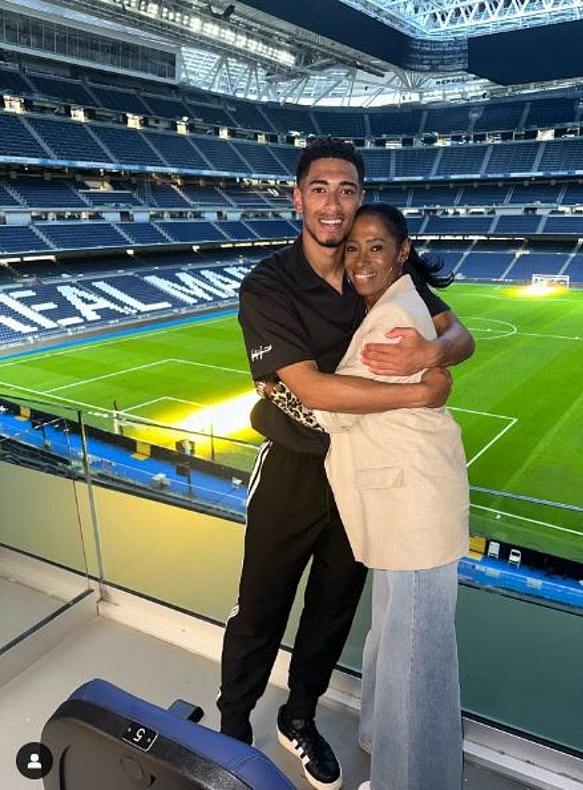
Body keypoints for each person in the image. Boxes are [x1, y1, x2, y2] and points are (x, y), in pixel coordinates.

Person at [217, 137, 474, 790]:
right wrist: (421, 388)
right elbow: (313, 389)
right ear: (299, 198)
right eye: (322, 189)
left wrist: (434, 353)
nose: (335, 204)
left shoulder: (380, 271)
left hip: (363, 476)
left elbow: (461, 333)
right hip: (295, 469)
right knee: (260, 607)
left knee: (333, 609)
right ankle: (231, 729)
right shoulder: (269, 284)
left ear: (360, 197)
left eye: (348, 189)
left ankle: (298, 717)